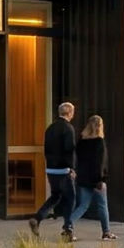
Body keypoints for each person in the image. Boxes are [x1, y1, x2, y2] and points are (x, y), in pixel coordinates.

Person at [29, 100, 78, 235]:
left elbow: (46, 148)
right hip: (64, 169)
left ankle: (37, 218)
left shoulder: (50, 128)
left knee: (56, 195)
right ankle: (68, 228)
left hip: (51, 168)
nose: (73, 115)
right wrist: (72, 167)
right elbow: (69, 149)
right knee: (70, 198)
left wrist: (49, 163)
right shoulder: (68, 128)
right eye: (73, 112)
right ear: (69, 113)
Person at [70, 114, 112, 239]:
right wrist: (102, 180)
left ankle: (68, 225)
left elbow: (77, 160)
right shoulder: (99, 142)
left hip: (83, 178)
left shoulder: (81, 143)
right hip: (97, 180)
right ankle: (106, 232)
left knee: (83, 206)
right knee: (102, 205)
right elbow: (101, 163)